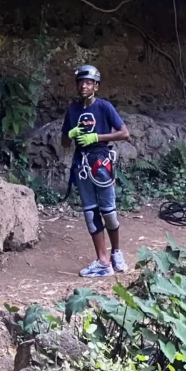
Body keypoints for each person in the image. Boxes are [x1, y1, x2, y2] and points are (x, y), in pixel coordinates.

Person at [60, 64, 130, 276]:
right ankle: (102, 261)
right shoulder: (72, 110)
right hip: (81, 164)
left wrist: (97, 137)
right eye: (81, 82)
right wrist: (70, 133)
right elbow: (64, 143)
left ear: (96, 86)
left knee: (109, 211)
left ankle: (116, 252)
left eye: (89, 82)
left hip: (101, 162)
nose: (84, 86)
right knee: (91, 212)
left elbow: (124, 133)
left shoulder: (104, 107)